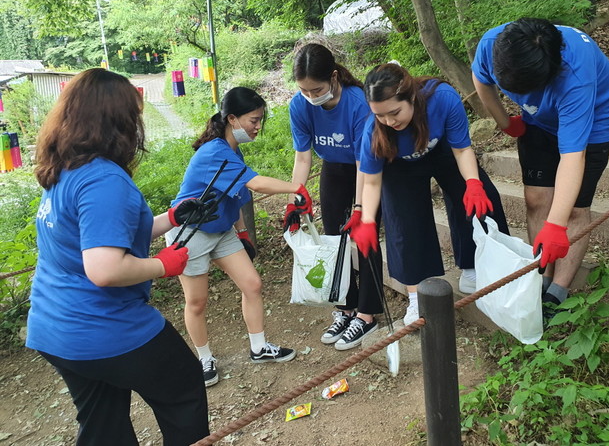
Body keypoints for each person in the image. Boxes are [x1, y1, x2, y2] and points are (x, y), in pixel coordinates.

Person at [26, 68, 210, 445]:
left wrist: (171, 218)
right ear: (119, 120)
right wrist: (163, 265)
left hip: (53, 328)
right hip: (102, 325)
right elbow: (105, 268)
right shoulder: (104, 179)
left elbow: (101, 238)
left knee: (104, 424)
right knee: (183, 387)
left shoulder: (64, 169)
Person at [471, 17, 609, 318]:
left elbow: (572, 157)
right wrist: (505, 122)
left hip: (592, 124)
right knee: (537, 198)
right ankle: (541, 276)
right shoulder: (494, 44)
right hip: (536, 120)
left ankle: (558, 290)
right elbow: (481, 82)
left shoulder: (575, 76)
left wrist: (556, 226)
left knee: (573, 210)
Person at [166, 86, 313, 387]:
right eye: (253, 120)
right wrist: (296, 188)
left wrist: (243, 232)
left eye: (260, 121)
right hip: (190, 232)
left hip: (221, 230)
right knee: (197, 301)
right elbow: (256, 184)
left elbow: (238, 195)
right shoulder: (214, 152)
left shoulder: (233, 149)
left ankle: (259, 347)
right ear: (232, 119)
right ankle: (204, 359)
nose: (258, 127)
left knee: (252, 284)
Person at [349, 63, 509, 325]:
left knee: (481, 198)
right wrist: (367, 220)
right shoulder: (374, 132)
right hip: (399, 166)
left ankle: (473, 268)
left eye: (394, 112)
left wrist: (473, 184)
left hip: (443, 149)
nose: (389, 121)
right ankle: (417, 297)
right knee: (405, 222)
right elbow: (372, 183)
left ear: (411, 97)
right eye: (380, 115)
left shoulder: (443, 99)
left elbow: (462, 150)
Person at [287, 43, 384, 350]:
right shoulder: (299, 106)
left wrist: (359, 207)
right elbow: (303, 158)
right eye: (304, 90)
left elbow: (362, 161)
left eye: (316, 90)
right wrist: (294, 199)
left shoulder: (357, 103)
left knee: (365, 236)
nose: (311, 97)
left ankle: (367, 314)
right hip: (333, 168)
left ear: (333, 76)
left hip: (366, 170)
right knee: (332, 238)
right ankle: (346, 307)